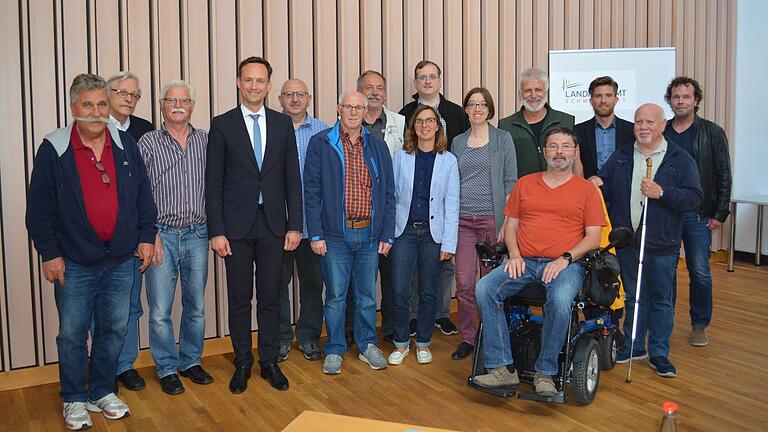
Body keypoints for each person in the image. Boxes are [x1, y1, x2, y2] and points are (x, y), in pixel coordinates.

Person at [26, 73, 157, 430]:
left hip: (121, 260)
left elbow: (144, 195)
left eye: (102, 104)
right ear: (74, 108)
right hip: (73, 262)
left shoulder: (126, 144)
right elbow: (38, 210)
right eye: (89, 104)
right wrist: (49, 253)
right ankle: (73, 397)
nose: (97, 112)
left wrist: (147, 235)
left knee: (114, 329)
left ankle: (101, 390)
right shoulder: (54, 148)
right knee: (72, 333)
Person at [473, 127, 605, 396]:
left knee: (558, 300)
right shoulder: (525, 184)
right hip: (524, 260)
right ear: (544, 151)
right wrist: (515, 254)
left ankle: (545, 372)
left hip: (567, 264)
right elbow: (511, 226)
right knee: (484, 288)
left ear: (574, 152)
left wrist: (565, 259)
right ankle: (501, 369)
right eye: (554, 146)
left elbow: (593, 238)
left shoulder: (586, 191)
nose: (559, 152)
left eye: (566, 146)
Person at [206, 56, 303, 393]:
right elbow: (213, 183)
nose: (254, 86)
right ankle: (243, 361)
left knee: (271, 297)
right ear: (238, 82)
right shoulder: (222, 124)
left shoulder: (281, 124)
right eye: (248, 80)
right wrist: (216, 230)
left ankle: (270, 362)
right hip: (235, 227)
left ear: (268, 86)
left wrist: (295, 225)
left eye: (260, 80)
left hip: (274, 225)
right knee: (238, 298)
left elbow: (293, 179)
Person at [593, 104, 703, 378]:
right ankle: (633, 345)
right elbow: (605, 186)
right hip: (628, 241)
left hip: (662, 243)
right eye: (639, 121)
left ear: (662, 125)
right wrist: (596, 181)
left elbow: (694, 197)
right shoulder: (621, 156)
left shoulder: (680, 158)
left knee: (660, 299)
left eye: (650, 122)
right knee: (632, 296)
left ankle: (659, 352)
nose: (643, 127)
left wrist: (662, 193)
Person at [303, 90, 395, 375]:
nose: (354, 112)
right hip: (334, 237)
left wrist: (387, 235)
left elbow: (389, 194)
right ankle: (335, 348)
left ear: (366, 110)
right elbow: (312, 192)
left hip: (369, 236)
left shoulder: (377, 146)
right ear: (338, 108)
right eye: (348, 107)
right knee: (335, 297)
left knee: (367, 296)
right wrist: (315, 234)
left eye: (359, 107)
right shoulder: (321, 144)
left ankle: (367, 344)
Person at [137, 80, 212, 395]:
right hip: (161, 236)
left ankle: (191, 361)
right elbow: (138, 193)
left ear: (193, 105)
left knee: (195, 305)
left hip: (197, 232)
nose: (178, 105)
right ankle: (167, 367)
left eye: (184, 100)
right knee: (160, 309)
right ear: (162, 105)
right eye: (171, 100)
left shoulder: (207, 141)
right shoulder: (148, 142)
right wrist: (148, 234)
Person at [388, 105, 459, 365]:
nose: (424, 126)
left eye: (430, 121)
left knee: (429, 290)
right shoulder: (401, 157)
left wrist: (449, 242)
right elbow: (391, 197)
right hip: (404, 232)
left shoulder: (448, 160)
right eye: (419, 121)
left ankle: (424, 342)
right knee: (399, 290)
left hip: (433, 234)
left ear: (438, 126)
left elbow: (452, 204)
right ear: (413, 127)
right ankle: (400, 343)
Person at [663, 76, 732, 347]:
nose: (681, 101)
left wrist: (720, 212)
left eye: (686, 97)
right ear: (670, 100)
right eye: (676, 97)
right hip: (666, 212)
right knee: (666, 270)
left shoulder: (712, 133)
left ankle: (699, 324)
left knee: (700, 271)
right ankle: (663, 322)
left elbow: (723, 173)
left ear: (696, 100)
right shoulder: (663, 130)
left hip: (698, 213)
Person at [450, 88, 517, 360]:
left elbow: (511, 181)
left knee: (489, 285)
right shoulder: (457, 142)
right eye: (472, 104)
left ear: (490, 109)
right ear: (465, 109)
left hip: (492, 221)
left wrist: (507, 223)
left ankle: (492, 335)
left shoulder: (503, 139)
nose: (477, 108)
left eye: (482, 104)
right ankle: (468, 336)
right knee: (465, 283)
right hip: (463, 223)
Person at [106, 71, 155, 391]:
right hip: (96, 235)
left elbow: (149, 187)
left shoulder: (144, 130)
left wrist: (146, 234)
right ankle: (102, 367)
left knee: (130, 305)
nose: (128, 98)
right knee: (101, 307)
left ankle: (125, 365)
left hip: (133, 233)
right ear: (107, 93)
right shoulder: (92, 127)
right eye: (121, 92)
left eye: (134, 94)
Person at [276, 79, 329, 362]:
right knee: (276, 286)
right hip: (277, 225)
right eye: (289, 94)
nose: (294, 99)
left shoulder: (324, 131)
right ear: (280, 99)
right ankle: (282, 338)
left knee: (312, 286)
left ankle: (308, 337)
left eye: (300, 94)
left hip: (313, 226)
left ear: (308, 98)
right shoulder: (270, 128)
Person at [353, 70, 406, 343]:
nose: (374, 92)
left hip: (391, 211)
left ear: (385, 92)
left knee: (391, 276)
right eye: (368, 87)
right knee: (358, 280)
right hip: (358, 212)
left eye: (379, 88)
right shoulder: (349, 123)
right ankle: (356, 332)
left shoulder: (401, 122)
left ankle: (390, 331)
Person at [498, 68, 575, 178]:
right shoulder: (506, 126)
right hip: (522, 193)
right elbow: (501, 166)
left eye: (538, 90)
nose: (533, 95)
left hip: (560, 191)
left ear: (546, 92)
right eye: (528, 90)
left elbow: (576, 162)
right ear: (520, 94)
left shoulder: (566, 121)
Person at [573, 76, 634, 179]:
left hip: (623, 192)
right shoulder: (577, 131)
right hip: (589, 190)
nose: (603, 101)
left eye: (608, 95)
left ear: (616, 99)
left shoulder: (631, 130)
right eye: (598, 96)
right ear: (591, 100)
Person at [399, 60, 469, 149]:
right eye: (422, 77)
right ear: (415, 83)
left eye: (432, 77)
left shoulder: (458, 113)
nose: (428, 81)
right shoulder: (404, 114)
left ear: (439, 81)